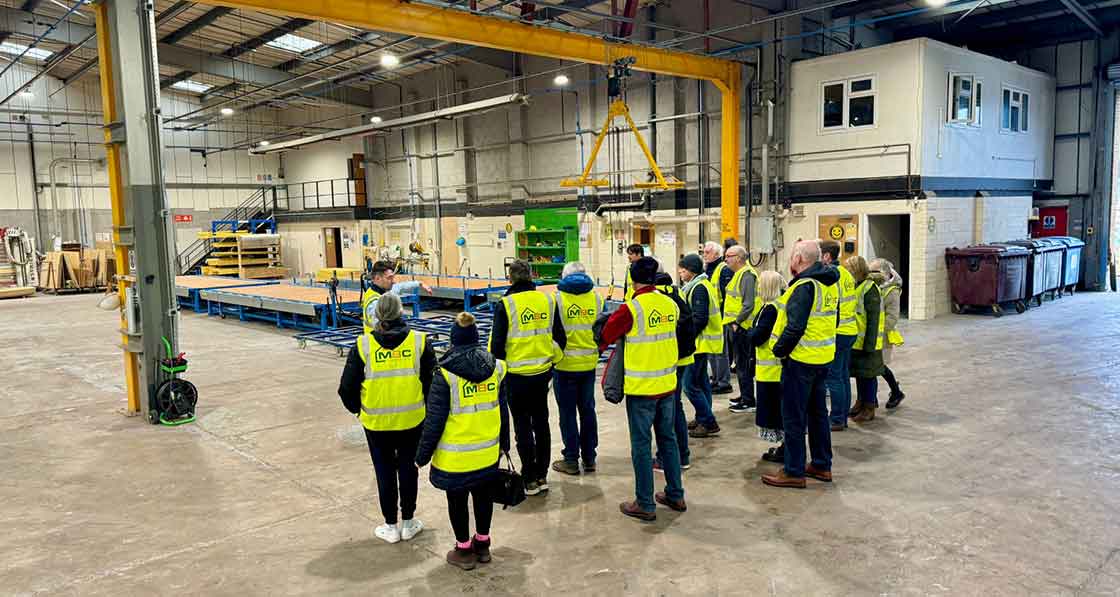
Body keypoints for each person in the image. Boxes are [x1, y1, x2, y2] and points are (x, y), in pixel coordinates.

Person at [415, 312, 511, 570]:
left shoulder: (445, 375)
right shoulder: (497, 368)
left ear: (453, 340)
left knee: (457, 501)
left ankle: (464, 550)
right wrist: (505, 444)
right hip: (487, 453)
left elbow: (434, 421)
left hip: (455, 457)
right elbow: (503, 410)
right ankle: (483, 545)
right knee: (483, 497)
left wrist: (421, 456)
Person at [338, 293, 437, 543]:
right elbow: (432, 384)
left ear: (378, 315)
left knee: (384, 472)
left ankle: (390, 525)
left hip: (377, 424)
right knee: (408, 470)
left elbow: (346, 389)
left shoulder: (363, 346)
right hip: (413, 421)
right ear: (401, 312)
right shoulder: (419, 342)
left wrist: (360, 410)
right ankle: (408, 522)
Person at [599, 257, 686, 521]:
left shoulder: (632, 309)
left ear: (633, 280)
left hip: (642, 389)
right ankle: (675, 493)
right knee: (668, 440)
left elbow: (606, 335)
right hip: (668, 385)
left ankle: (645, 502)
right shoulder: (671, 305)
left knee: (641, 445)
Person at [761, 240, 839, 489]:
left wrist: (779, 350)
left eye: (793, 255)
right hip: (823, 357)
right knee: (818, 415)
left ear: (799, 259)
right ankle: (821, 464)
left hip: (801, 361)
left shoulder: (804, 286)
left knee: (794, 418)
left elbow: (795, 327)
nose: (790, 260)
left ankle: (794, 470)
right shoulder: (829, 284)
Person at [488, 259, 565, 496]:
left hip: (516, 377)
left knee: (522, 426)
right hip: (542, 375)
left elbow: (497, 346)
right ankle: (542, 476)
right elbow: (560, 338)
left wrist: (499, 374)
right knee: (541, 423)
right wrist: (549, 361)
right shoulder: (547, 300)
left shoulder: (506, 304)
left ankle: (529, 478)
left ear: (510, 279)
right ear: (531, 276)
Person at [550, 262, 603, 476]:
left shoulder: (557, 300)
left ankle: (571, 459)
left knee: (568, 413)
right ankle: (589, 458)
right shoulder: (597, 298)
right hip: (589, 364)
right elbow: (601, 331)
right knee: (588, 411)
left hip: (565, 366)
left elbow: (553, 335)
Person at [652, 270, 696, 472]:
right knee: (676, 407)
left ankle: (667, 457)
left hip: (666, 361)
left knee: (665, 412)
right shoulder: (679, 294)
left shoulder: (656, 300)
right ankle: (683, 455)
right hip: (685, 357)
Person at [677, 254, 723, 439]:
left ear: (692, 271)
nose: (680, 272)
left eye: (683, 269)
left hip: (699, 343)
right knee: (702, 383)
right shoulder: (699, 285)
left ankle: (708, 421)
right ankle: (702, 417)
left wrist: (687, 338)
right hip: (702, 343)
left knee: (689, 385)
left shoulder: (698, 288)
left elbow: (700, 318)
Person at [747, 271, 787, 463]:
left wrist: (748, 332)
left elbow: (757, 336)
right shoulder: (777, 305)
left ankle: (784, 449)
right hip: (774, 369)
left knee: (774, 413)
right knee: (778, 410)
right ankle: (784, 447)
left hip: (771, 370)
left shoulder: (770, 309)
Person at [818, 241, 859, 432]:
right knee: (842, 376)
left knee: (834, 378)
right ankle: (841, 415)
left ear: (827, 256)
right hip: (850, 330)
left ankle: (836, 419)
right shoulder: (846, 274)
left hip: (839, 331)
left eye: (820, 254)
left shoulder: (831, 275)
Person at [722, 245, 760, 414]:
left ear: (738, 257)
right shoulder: (739, 274)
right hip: (737, 326)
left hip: (742, 327)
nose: (726, 259)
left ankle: (748, 401)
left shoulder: (747, 275)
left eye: (728, 256)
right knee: (740, 364)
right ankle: (745, 395)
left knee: (743, 365)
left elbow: (748, 304)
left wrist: (737, 322)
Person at [848, 256, 886, 423]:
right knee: (860, 375)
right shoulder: (858, 285)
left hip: (868, 343)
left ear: (856, 270)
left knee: (869, 376)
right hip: (857, 341)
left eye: (849, 269)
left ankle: (869, 407)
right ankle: (860, 402)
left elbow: (873, 319)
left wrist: (869, 345)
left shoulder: (870, 289)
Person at [870, 258, 906, 408]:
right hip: (873, 334)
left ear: (885, 273)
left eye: (874, 272)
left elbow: (892, 318)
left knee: (880, 366)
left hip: (882, 336)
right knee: (873, 367)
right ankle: (871, 399)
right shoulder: (878, 286)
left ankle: (896, 392)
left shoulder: (892, 292)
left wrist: (876, 330)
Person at [361, 260, 434, 334]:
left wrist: (419, 283)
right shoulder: (374, 302)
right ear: (377, 278)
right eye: (389, 278)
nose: (393, 281)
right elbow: (381, 328)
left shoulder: (383, 291)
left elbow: (400, 286)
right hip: (376, 342)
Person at [702, 241, 735, 395]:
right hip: (710, 317)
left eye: (707, 252)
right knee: (712, 350)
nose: (704, 254)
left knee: (721, 351)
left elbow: (727, 295)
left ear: (716, 254)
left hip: (720, 317)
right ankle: (716, 379)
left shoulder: (723, 270)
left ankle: (723, 382)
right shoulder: (708, 269)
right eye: (704, 252)